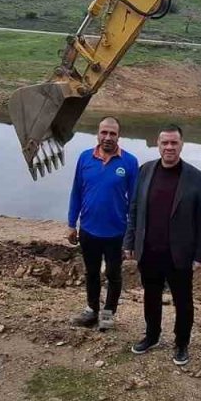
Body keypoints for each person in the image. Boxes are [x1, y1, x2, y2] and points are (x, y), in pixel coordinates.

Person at [123, 124, 201, 366]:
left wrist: (200, 254)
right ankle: (151, 336)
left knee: (183, 302)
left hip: (179, 254)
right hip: (149, 251)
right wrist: (130, 240)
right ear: (158, 144)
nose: (169, 147)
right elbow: (135, 209)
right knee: (151, 297)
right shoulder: (145, 170)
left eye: (174, 143)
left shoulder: (194, 177)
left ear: (181, 144)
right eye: (165, 143)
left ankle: (181, 344)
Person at [67, 116, 139, 330]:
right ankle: (91, 310)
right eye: (104, 133)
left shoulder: (129, 162)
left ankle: (107, 316)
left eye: (112, 133)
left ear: (119, 136)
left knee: (114, 275)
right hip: (88, 230)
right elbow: (76, 192)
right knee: (91, 273)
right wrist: (72, 223)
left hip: (116, 233)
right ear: (97, 134)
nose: (108, 137)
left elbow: (134, 202)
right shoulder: (84, 158)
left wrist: (131, 237)